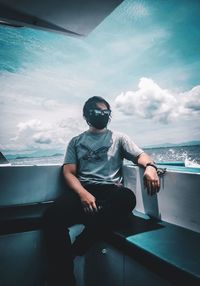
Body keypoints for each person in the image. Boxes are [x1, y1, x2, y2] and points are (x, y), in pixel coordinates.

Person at [43, 96, 160, 286]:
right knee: (51, 216)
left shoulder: (119, 138)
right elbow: (69, 172)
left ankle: (82, 243)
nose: (102, 115)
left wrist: (151, 167)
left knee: (127, 198)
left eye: (106, 113)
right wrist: (82, 194)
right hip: (84, 192)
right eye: (97, 112)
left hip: (110, 194)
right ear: (87, 115)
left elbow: (140, 155)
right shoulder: (76, 141)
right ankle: (62, 278)